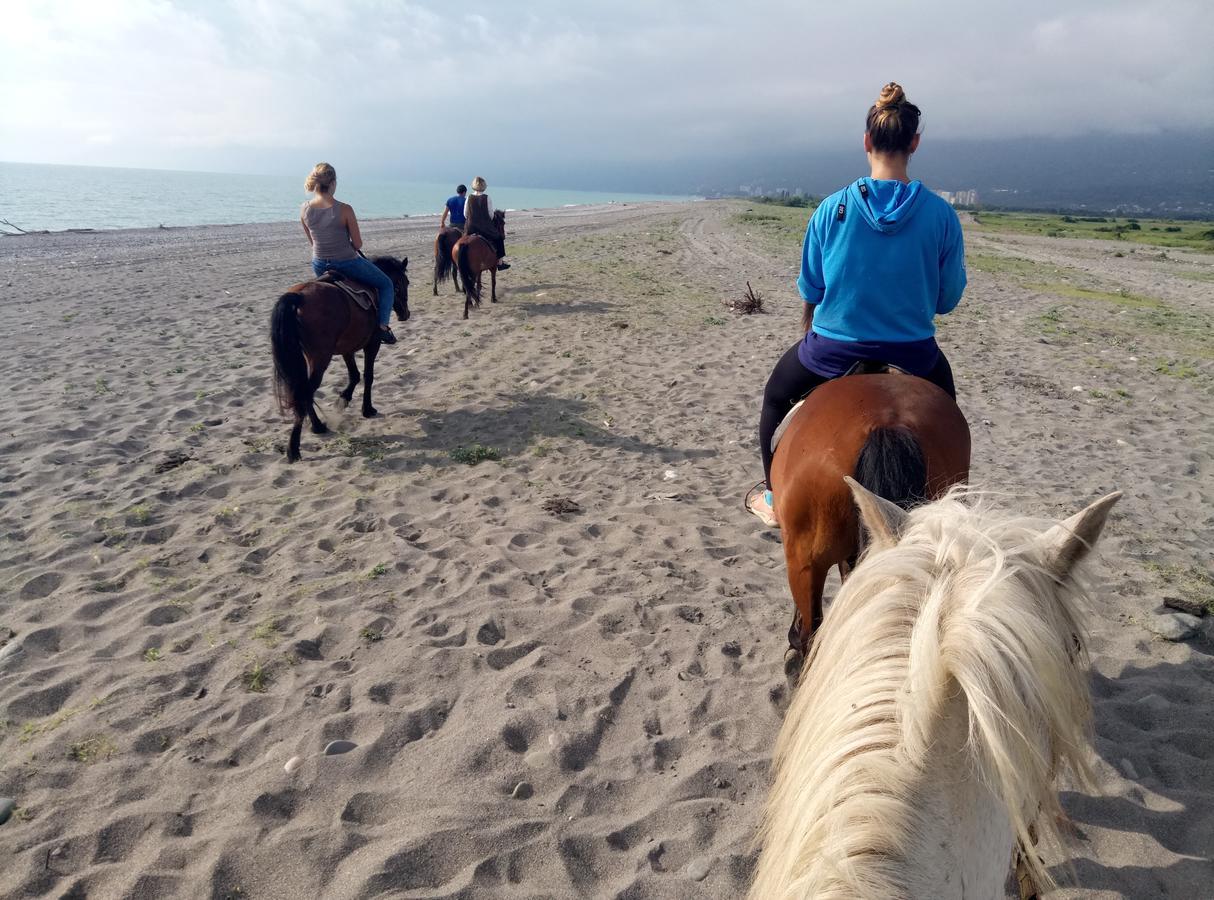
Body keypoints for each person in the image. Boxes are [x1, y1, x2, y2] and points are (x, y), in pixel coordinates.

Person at [746, 83, 966, 527]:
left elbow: (811, 287)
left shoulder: (831, 209)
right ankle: (950, 505)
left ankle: (773, 497)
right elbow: (946, 300)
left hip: (833, 351)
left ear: (867, 141)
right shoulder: (942, 215)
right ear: (914, 143)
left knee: (775, 398)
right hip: (915, 354)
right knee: (950, 416)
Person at [300, 162, 397, 344]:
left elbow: (313, 242)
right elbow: (358, 243)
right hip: (346, 262)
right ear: (333, 183)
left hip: (319, 264)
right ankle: (382, 327)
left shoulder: (304, 208)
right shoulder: (344, 209)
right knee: (386, 284)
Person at [463, 176, 510, 269]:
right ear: (484, 187)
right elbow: (491, 215)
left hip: (470, 227)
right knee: (499, 238)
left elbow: (465, 214)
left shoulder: (469, 197)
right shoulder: (487, 198)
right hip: (485, 227)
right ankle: (500, 263)